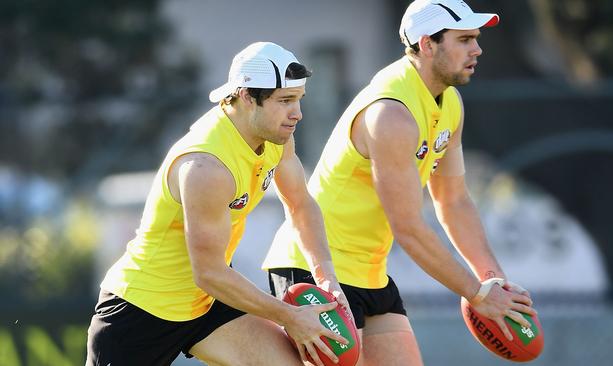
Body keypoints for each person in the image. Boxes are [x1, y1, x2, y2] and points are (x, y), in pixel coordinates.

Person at [263, 1, 537, 365]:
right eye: (465, 39)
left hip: (370, 274)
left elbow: (452, 201)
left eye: (476, 38)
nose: (478, 49)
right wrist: (476, 293)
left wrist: (493, 282)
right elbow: (407, 227)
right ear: (427, 44)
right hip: (313, 269)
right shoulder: (391, 114)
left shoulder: (450, 103)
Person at [86, 42, 352, 366]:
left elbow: (300, 204)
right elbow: (209, 272)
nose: (297, 113)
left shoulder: (276, 135)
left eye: (298, 99)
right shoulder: (206, 167)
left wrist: (326, 278)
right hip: (142, 311)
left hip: (207, 304)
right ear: (246, 97)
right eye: (285, 101)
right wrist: (290, 316)